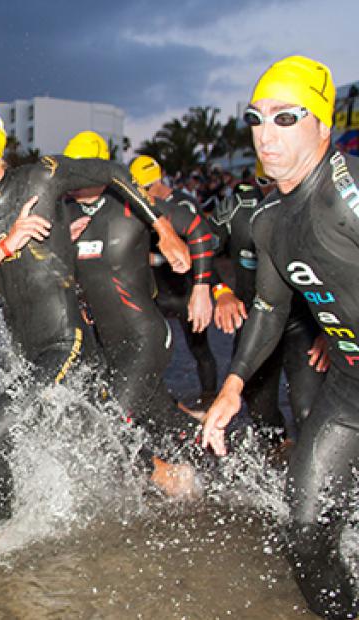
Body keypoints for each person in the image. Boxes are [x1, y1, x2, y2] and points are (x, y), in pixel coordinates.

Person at [0, 105, 191, 526]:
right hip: (25, 349)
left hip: (63, 341)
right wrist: (2, 248)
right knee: (95, 429)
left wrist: (162, 229)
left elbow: (111, 171)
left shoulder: (41, 177)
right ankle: (163, 472)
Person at [200, 55, 359, 619]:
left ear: (323, 125)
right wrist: (233, 384)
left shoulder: (347, 193)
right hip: (348, 387)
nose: (266, 136)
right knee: (305, 528)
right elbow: (269, 307)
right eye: (256, 118)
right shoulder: (268, 219)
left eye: (286, 118)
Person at [64, 135, 213, 491]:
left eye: (86, 168)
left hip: (145, 336)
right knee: (163, 418)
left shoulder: (132, 203)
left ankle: (169, 478)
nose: (76, 177)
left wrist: (204, 288)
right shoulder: (63, 213)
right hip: (106, 343)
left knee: (105, 421)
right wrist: (59, 244)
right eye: (71, 170)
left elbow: (198, 229)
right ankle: (231, 462)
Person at [207, 162, 326, 443]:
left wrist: (328, 330)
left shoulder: (316, 207)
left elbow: (339, 277)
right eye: (266, 180)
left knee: (308, 412)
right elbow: (201, 252)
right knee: (261, 416)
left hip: (302, 324)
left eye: (283, 178)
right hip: (256, 322)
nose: (275, 188)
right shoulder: (236, 209)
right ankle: (280, 451)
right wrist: (221, 292)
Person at [130, 156, 219, 407]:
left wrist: (212, 289)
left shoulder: (183, 204)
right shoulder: (142, 204)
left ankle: (210, 399)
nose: (145, 193)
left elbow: (202, 247)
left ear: (159, 180)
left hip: (186, 290)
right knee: (154, 347)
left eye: (147, 188)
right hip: (159, 290)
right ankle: (158, 401)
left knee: (199, 347)